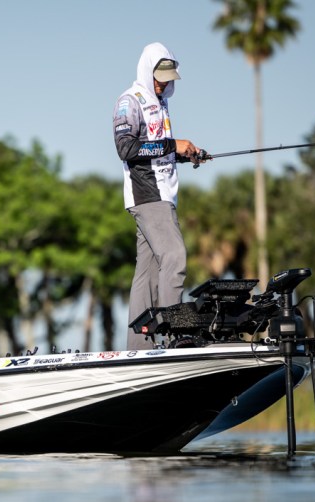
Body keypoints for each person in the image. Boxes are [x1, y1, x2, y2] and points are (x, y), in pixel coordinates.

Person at [113, 43, 206, 350]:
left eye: (167, 80)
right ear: (147, 70)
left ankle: (138, 348)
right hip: (148, 194)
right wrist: (172, 145)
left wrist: (185, 154)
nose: (163, 84)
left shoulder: (161, 104)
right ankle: (178, 335)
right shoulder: (130, 101)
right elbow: (126, 149)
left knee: (149, 272)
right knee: (175, 257)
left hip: (163, 194)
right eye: (159, 78)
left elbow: (156, 150)